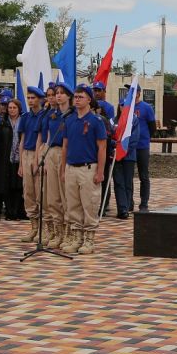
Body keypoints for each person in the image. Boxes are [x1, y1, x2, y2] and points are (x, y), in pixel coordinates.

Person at [60, 84, 108, 255]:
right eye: (75, 97)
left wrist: (100, 171)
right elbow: (65, 146)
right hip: (71, 167)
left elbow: (102, 147)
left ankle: (89, 239)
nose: (77, 99)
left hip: (89, 168)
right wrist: (63, 169)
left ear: (89, 99)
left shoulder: (96, 121)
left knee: (89, 204)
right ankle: (76, 237)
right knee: (73, 206)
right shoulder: (69, 120)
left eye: (81, 97)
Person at [42, 82, 72, 249]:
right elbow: (47, 136)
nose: (58, 95)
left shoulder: (71, 115)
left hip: (65, 152)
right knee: (53, 195)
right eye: (56, 93)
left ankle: (68, 232)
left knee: (65, 194)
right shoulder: (52, 114)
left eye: (62, 93)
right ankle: (57, 231)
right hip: (51, 152)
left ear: (69, 96)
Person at [17, 86, 47, 242]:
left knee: (40, 192)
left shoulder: (43, 116)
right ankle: (33, 227)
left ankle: (44, 229)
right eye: (28, 98)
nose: (30, 101)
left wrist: (36, 161)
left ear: (40, 99)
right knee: (28, 193)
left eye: (33, 98)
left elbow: (40, 139)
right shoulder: (25, 117)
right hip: (27, 154)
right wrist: (21, 163)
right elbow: (22, 140)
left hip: (38, 154)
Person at [91, 82, 116, 212]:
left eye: (98, 90)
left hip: (104, 144)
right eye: (94, 90)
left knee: (104, 175)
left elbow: (111, 126)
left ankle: (104, 202)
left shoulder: (109, 107)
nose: (96, 92)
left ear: (104, 91)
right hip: (91, 149)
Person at [131, 89, 156, 212]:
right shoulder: (125, 106)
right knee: (128, 176)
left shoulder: (146, 107)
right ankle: (128, 202)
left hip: (142, 146)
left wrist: (145, 138)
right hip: (129, 147)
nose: (130, 93)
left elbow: (152, 127)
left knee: (144, 176)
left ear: (139, 93)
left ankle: (144, 203)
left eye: (133, 91)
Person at [1, 97, 25, 219]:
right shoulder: (3, 122)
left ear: (19, 109)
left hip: (20, 158)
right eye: (9, 107)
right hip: (7, 158)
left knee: (18, 186)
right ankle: (9, 211)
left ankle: (18, 211)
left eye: (14, 108)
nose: (11, 110)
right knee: (8, 186)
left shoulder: (23, 121)